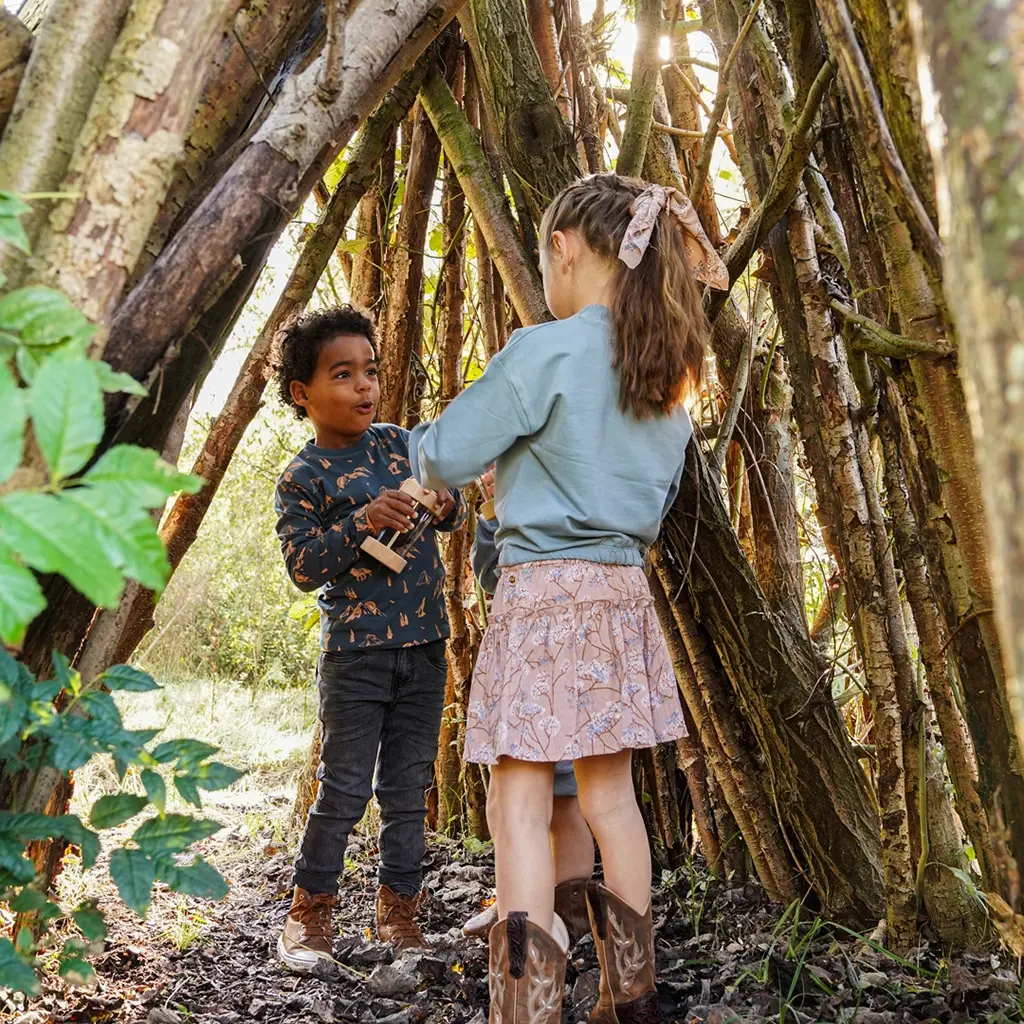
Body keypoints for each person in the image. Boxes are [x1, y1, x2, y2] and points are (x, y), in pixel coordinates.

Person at [409, 174, 727, 1022]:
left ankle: (526, 1006)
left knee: (517, 801)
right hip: (622, 598)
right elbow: (644, 496)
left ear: (563, 248)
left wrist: (439, 457)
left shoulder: (543, 351)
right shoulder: (666, 377)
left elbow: (442, 455)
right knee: (611, 799)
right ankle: (633, 996)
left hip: (544, 600)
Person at [270, 306, 467, 973]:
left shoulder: (399, 445)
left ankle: (398, 915)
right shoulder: (302, 477)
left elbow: (450, 505)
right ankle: (310, 913)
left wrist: (447, 504)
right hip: (354, 656)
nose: (364, 386)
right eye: (343, 374)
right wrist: (360, 521)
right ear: (303, 393)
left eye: (371, 371)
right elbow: (303, 567)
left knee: (408, 790)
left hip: (425, 648)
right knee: (344, 789)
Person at [462, 469, 595, 945]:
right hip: (530, 662)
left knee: (550, 801)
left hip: (549, 665)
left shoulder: (567, 501)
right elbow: (490, 574)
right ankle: (524, 907)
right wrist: (493, 510)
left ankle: (556, 920)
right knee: (519, 802)